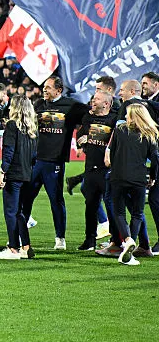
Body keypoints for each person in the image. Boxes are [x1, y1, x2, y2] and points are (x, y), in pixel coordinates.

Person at [25, 76, 87, 251]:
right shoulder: (38, 105)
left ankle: (60, 238)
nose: (44, 90)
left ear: (59, 90)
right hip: (35, 160)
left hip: (55, 161)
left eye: (48, 87)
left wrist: (84, 138)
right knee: (27, 198)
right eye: (44, 87)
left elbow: (90, 118)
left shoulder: (72, 106)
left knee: (56, 201)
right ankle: (22, 235)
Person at [105, 104, 159, 266]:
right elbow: (156, 158)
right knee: (137, 214)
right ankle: (131, 245)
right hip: (138, 178)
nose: (126, 118)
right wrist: (153, 177)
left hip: (118, 177)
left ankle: (127, 240)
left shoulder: (120, 130)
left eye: (128, 115)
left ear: (134, 116)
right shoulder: (150, 133)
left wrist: (115, 169)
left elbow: (112, 152)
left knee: (119, 212)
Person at [70, 91, 119, 251]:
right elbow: (80, 136)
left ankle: (116, 240)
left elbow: (114, 143)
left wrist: (90, 139)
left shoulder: (114, 119)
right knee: (90, 206)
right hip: (90, 169)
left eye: (97, 99)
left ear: (106, 103)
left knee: (112, 207)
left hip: (107, 170)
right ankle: (89, 240)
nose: (93, 101)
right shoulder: (88, 118)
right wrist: (81, 143)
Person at [0, 96, 37, 260]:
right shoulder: (32, 128)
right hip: (27, 175)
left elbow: (9, 152)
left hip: (14, 175)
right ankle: (26, 246)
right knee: (20, 213)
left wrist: (2, 173)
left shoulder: (12, 126)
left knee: (10, 212)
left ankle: (13, 248)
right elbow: (34, 156)